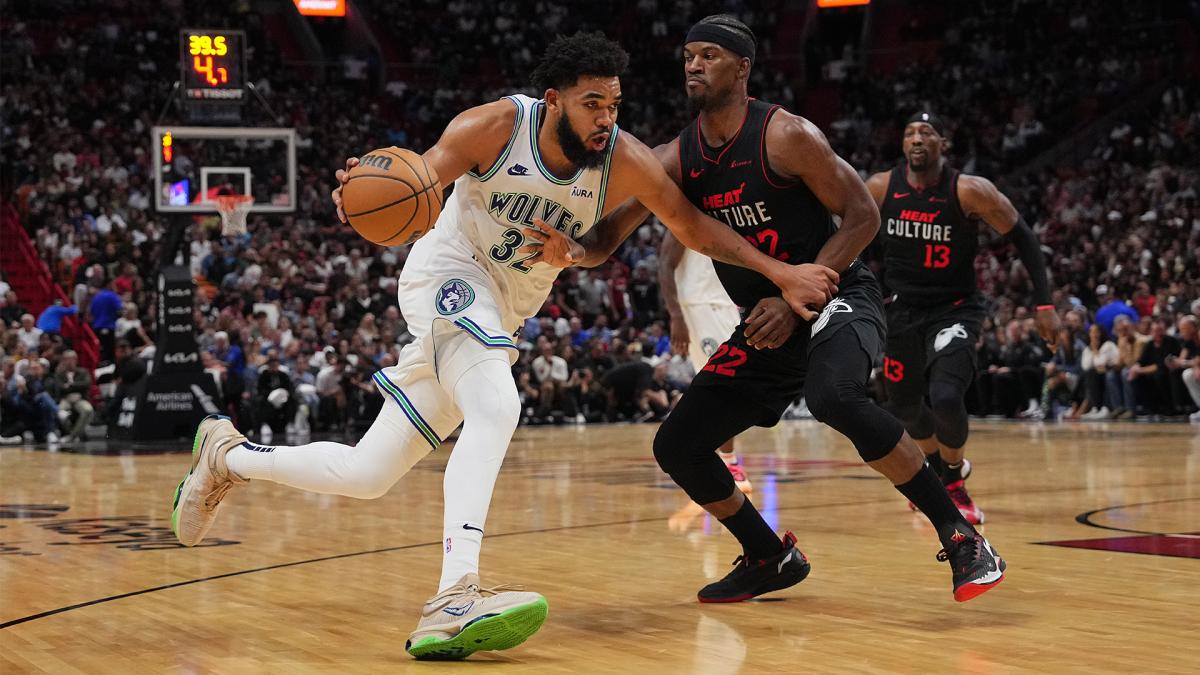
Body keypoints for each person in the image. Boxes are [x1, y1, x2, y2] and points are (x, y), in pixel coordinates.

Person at [170, 30, 835, 661]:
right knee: (497, 406)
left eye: (614, 102)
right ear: (554, 102)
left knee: (367, 474)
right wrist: (364, 201)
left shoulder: (624, 161)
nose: (606, 116)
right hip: (447, 278)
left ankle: (229, 454)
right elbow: (421, 184)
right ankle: (454, 595)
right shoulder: (493, 126)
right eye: (592, 102)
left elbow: (693, 227)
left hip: (499, 313)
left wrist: (777, 273)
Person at [529, 16, 1004, 604]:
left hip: (839, 296)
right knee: (677, 444)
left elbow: (862, 217)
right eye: (688, 56)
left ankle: (960, 534)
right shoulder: (676, 156)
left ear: (743, 67)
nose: (693, 65)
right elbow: (606, 238)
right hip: (766, 320)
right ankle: (767, 554)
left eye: (708, 55)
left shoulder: (787, 136)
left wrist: (793, 295)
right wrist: (570, 250)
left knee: (835, 397)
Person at [866, 112, 1060, 523]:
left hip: (954, 308)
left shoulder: (969, 190)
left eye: (927, 132)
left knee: (948, 397)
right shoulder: (881, 187)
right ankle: (938, 470)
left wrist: (1044, 306)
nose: (917, 138)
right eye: (910, 133)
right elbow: (850, 232)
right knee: (902, 406)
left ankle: (953, 481)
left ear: (943, 144)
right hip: (900, 309)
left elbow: (1024, 236)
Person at [659, 231, 751, 492]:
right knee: (723, 385)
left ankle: (692, 445)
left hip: (724, 305)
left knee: (732, 386)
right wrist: (676, 315)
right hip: (698, 305)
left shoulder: (722, 211)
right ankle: (727, 461)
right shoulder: (682, 209)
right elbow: (665, 264)